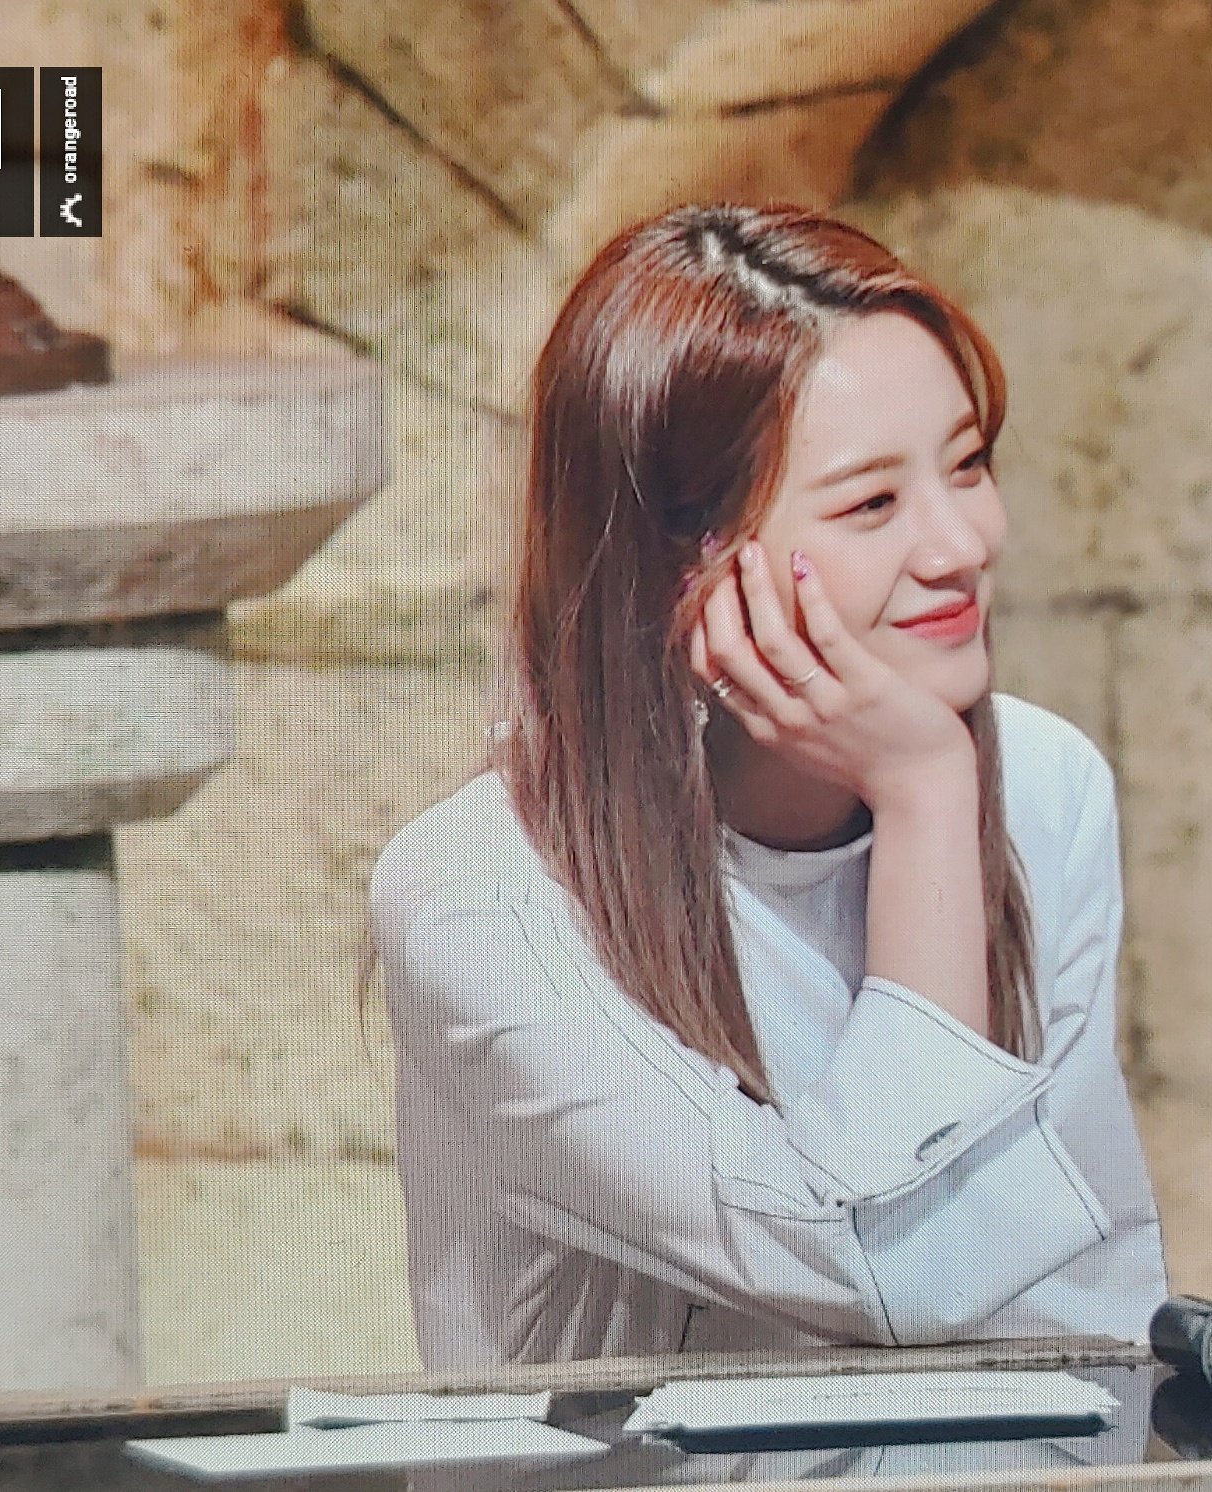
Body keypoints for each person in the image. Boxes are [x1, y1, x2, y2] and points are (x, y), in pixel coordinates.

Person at [366, 201, 1168, 1370]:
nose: (961, 544)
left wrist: (934, 796)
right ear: (680, 563)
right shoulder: (482, 897)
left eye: (967, 465)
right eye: (871, 504)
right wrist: (925, 798)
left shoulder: (1046, 786)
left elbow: (1084, 1300)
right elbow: (895, 1277)